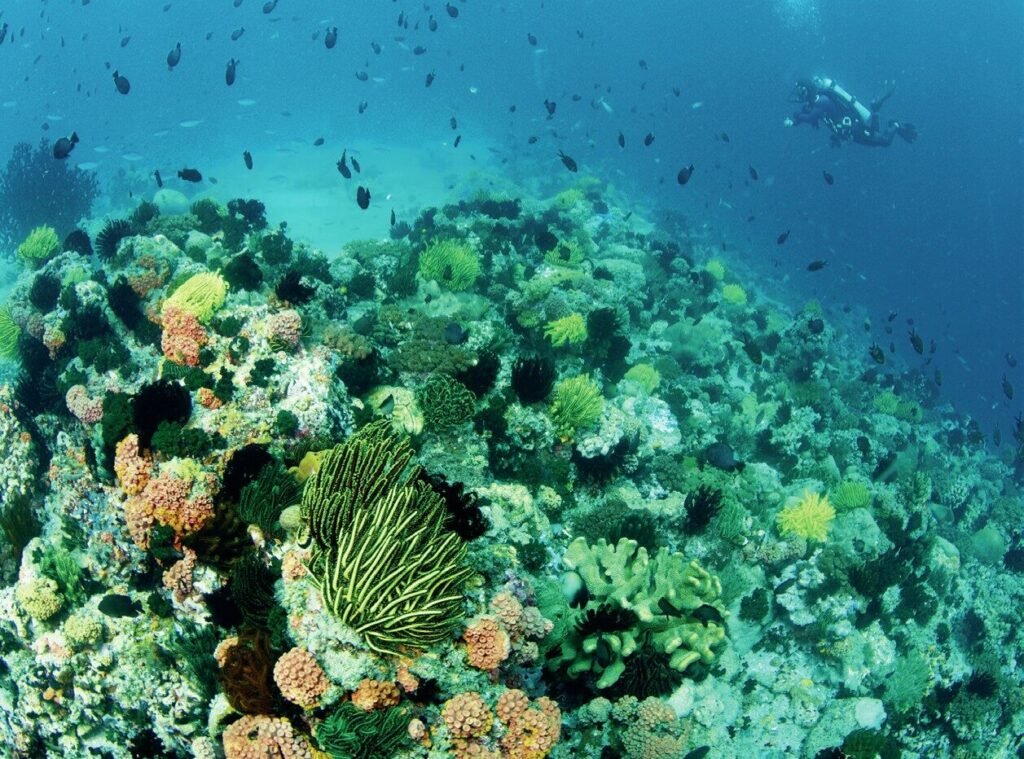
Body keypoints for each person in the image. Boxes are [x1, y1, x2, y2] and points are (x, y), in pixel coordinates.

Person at [785, 77, 917, 147]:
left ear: (808, 90)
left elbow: (810, 118)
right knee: (875, 135)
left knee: (884, 141)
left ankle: (894, 124)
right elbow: (809, 116)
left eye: (802, 92)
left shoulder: (821, 102)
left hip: (854, 129)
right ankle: (876, 110)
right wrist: (794, 122)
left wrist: (796, 116)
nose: (800, 96)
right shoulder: (814, 103)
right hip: (850, 131)